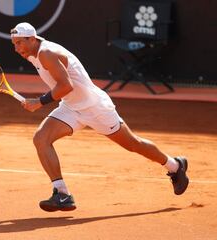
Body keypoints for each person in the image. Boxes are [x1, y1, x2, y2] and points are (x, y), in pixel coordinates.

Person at [10, 22, 189, 212]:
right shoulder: (33, 53)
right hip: (71, 107)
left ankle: (175, 165)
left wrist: (40, 101)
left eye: (20, 43)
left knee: (132, 144)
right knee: (41, 138)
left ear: (32, 39)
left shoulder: (46, 53)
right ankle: (62, 194)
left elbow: (66, 86)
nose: (16, 48)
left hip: (94, 108)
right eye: (14, 44)